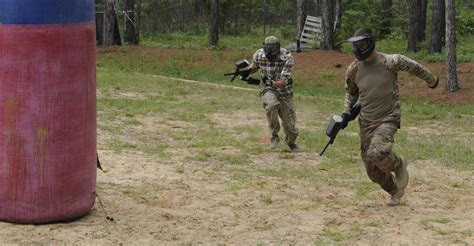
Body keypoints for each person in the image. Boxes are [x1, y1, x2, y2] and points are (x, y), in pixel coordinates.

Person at [342, 28, 438, 206]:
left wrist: (432, 80)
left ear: (370, 43)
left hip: (388, 117)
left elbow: (415, 67)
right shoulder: (353, 69)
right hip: (366, 122)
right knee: (372, 170)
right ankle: (395, 191)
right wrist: (346, 112)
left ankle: (399, 164)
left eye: (361, 44)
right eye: (355, 45)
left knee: (376, 152)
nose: (357, 48)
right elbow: (351, 93)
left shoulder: (390, 61)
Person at [246, 36, 299, 152]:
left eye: (273, 54)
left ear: (278, 49)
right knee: (271, 105)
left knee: (290, 127)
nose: (270, 56)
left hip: (284, 91)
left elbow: (283, 82)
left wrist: (271, 82)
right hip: (267, 88)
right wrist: (247, 71)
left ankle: (291, 142)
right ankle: (274, 136)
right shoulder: (259, 54)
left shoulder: (287, 57)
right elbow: (254, 67)